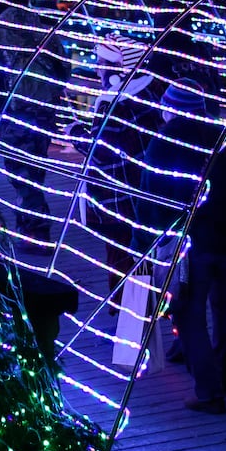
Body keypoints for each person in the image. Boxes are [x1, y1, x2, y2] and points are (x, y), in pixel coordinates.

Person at [140, 82, 226, 415]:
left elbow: (150, 195)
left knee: (187, 310)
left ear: (170, 107)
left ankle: (208, 391)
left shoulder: (164, 140)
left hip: (192, 243)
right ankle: (222, 376)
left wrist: (148, 242)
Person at [0, 0, 71, 248]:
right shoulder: (44, 31)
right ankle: (33, 226)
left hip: (14, 115)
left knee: (22, 175)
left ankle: (35, 232)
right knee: (35, 170)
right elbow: (64, 68)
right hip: (44, 113)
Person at [66, 36, 167, 294]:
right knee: (139, 249)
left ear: (118, 70)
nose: (98, 69)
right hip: (145, 190)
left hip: (116, 196)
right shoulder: (150, 94)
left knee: (119, 254)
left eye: (102, 63)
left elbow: (102, 151)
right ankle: (141, 301)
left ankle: (126, 311)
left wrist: (76, 133)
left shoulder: (116, 104)